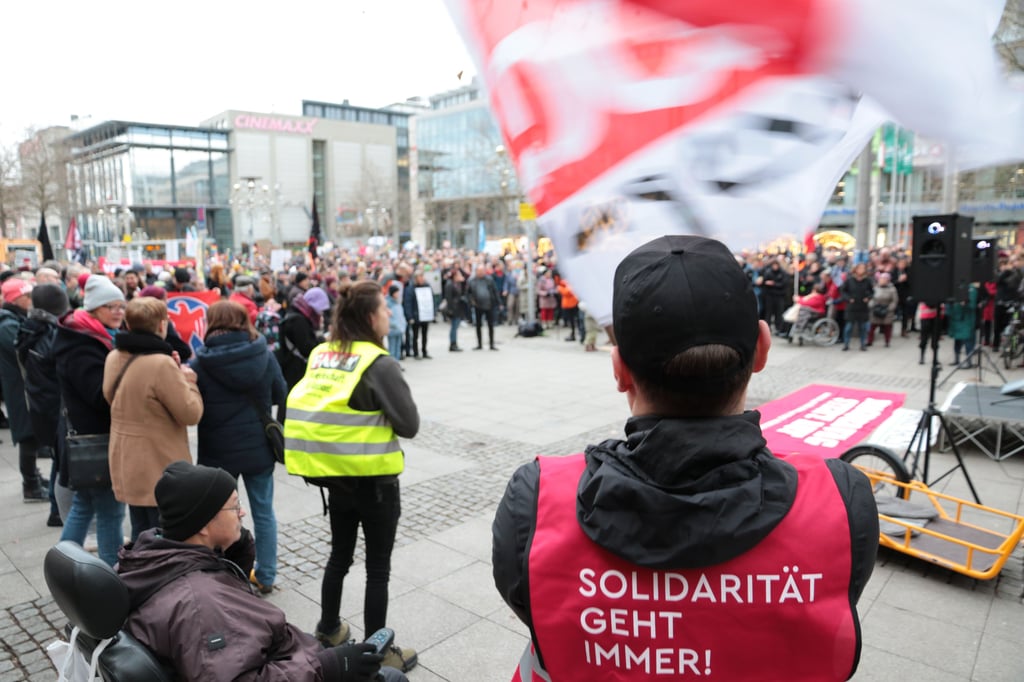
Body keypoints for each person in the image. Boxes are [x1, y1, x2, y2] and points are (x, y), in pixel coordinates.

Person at [492, 235, 878, 682]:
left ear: (619, 370)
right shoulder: (840, 503)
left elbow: (532, 610)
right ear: (762, 348)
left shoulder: (537, 503)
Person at [116, 461, 408, 682]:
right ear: (203, 525)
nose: (242, 513)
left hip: (282, 655)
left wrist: (233, 552)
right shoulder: (201, 604)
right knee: (392, 678)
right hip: (300, 667)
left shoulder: (159, 556)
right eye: (234, 507)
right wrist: (329, 666)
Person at [284, 279, 420, 673]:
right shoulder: (378, 363)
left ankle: (328, 629)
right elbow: (409, 424)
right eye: (383, 307)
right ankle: (375, 655)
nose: (389, 312)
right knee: (377, 569)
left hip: (335, 479)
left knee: (338, 557)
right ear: (369, 317)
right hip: (375, 483)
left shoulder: (322, 353)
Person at [191, 300, 287, 595]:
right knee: (263, 511)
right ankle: (266, 574)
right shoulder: (263, 353)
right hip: (258, 446)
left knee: (219, 514)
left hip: (218, 449)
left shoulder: (200, 362)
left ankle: (227, 575)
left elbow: (193, 406)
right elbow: (280, 391)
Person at [105, 297, 204, 541]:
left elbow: (111, 397)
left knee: (140, 532)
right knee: (165, 536)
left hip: (127, 459)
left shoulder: (114, 356)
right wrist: (189, 380)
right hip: (158, 462)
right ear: (162, 325)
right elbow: (191, 413)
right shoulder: (160, 363)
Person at [55, 275, 130, 567]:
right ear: (95, 308)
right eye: (112, 306)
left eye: (122, 306)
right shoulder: (83, 343)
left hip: (93, 436)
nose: (119, 312)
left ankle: (63, 565)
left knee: (84, 506)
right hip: (97, 437)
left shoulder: (93, 335)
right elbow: (99, 395)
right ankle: (111, 574)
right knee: (111, 512)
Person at [17, 284, 71, 526]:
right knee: (62, 462)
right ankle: (57, 511)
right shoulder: (50, 334)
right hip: (53, 405)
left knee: (58, 460)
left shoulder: (30, 329)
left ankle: (56, 509)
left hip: (42, 403)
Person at [0, 276, 48, 502]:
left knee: (32, 433)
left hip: (25, 384)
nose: (31, 300)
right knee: (27, 435)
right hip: (19, 387)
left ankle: (33, 477)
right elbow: (24, 350)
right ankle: (30, 485)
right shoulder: (7, 325)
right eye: (27, 296)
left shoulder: (15, 319)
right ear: (15, 299)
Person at [278, 286, 331, 393]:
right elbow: (307, 348)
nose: (321, 313)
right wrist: (323, 339)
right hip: (295, 369)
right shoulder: (298, 321)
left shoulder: (297, 314)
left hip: (291, 365)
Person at [840, 262, 873, 351]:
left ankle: (863, 344)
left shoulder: (867, 280)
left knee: (862, 327)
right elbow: (843, 291)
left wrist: (868, 298)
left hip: (862, 307)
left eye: (863, 268)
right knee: (849, 327)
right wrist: (848, 299)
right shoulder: (849, 280)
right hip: (851, 307)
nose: (861, 270)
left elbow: (872, 292)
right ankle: (846, 344)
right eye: (860, 268)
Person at [467, 263, 499, 351]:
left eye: (482, 271)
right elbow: (468, 293)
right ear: (476, 271)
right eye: (479, 271)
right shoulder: (472, 281)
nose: (481, 273)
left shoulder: (489, 280)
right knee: (478, 325)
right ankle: (479, 344)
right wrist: (472, 301)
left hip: (489, 305)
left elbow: (495, 291)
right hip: (478, 306)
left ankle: (491, 344)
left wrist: (498, 302)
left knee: (490, 325)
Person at [867, 271, 898, 348]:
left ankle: (887, 341)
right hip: (876, 309)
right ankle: (869, 341)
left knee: (887, 327)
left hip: (887, 310)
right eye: (881, 279)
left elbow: (894, 301)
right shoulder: (875, 288)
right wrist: (871, 304)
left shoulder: (892, 289)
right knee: (872, 327)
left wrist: (889, 308)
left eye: (884, 279)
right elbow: (871, 298)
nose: (882, 280)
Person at [443, 267, 470, 352]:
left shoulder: (458, 284)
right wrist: (450, 310)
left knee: (455, 326)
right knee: (454, 327)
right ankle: (453, 343)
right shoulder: (450, 284)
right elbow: (449, 298)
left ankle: (454, 342)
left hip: (458, 308)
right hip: (453, 309)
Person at [386, 284, 407, 359]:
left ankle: (396, 363)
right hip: (392, 329)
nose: (398, 294)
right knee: (392, 349)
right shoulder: (387, 303)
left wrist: (403, 324)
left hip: (399, 329)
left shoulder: (397, 302)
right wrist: (394, 325)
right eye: (396, 292)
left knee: (398, 349)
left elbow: (401, 315)